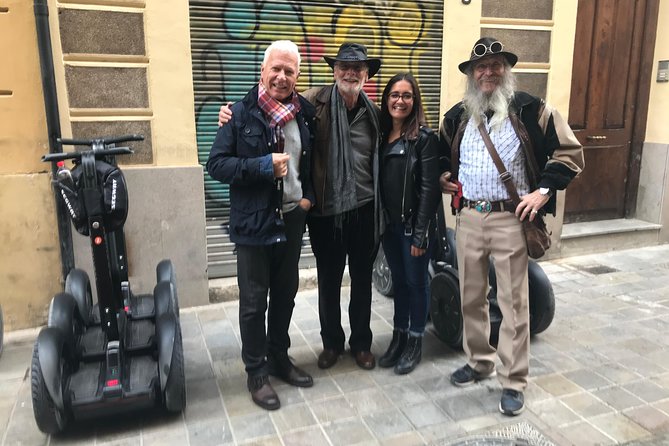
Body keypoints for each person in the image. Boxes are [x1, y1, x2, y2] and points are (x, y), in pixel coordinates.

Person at [439, 37, 584, 416]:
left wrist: (543, 192)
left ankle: (514, 380)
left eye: (495, 66)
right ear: (471, 74)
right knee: (471, 296)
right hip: (468, 217)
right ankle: (479, 361)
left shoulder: (533, 110)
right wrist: (442, 175)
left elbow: (570, 152)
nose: (488, 72)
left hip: (511, 218)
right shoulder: (457, 116)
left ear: (506, 70)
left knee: (513, 304)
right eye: (480, 67)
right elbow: (441, 155)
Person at [219, 42, 383, 371]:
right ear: (334, 71)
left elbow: (400, 134)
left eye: (357, 68)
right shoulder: (311, 103)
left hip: (364, 208)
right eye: (343, 67)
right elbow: (264, 107)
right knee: (329, 281)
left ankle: (361, 343)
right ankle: (332, 343)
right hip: (326, 211)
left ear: (366, 74)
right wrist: (229, 111)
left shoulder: (375, 114)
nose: (350, 73)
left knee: (363, 280)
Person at [207, 40, 315, 411]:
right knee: (254, 303)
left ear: (297, 77)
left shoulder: (305, 114)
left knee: (285, 295)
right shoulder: (239, 114)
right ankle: (256, 372)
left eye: (289, 71)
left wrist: (307, 199)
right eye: (276, 69)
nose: (282, 77)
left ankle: (278, 358)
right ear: (263, 72)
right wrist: (261, 166)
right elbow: (217, 164)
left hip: (291, 220)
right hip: (253, 224)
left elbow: (311, 162)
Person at [376, 73, 441, 374]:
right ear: (386, 99)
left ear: (414, 102)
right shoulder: (380, 135)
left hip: (412, 228)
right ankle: (399, 335)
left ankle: (416, 340)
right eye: (394, 95)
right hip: (389, 228)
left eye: (406, 96)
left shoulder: (424, 139)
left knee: (417, 284)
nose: (399, 101)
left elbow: (429, 190)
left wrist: (420, 235)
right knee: (399, 285)